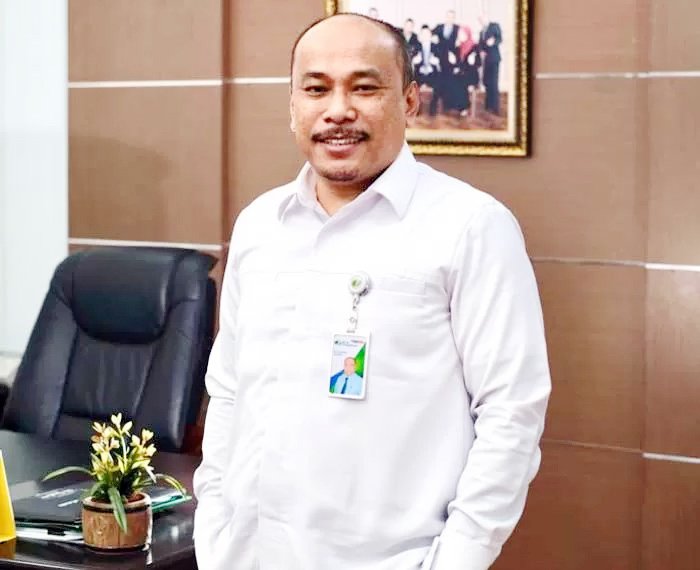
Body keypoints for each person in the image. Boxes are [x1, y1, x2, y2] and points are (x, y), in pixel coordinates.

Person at [193, 13, 550, 570]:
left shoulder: (470, 226)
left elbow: (512, 412)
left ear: (409, 101)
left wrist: (459, 559)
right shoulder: (260, 224)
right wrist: (213, 528)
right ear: (293, 104)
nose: (338, 110)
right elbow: (229, 391)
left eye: (364, 87)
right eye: (316, 89)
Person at [413, 24, 443, 117]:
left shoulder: (436, 47)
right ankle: (416, 109)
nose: (425, 36)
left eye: (427, 34)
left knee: (439, 83)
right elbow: (409, 61)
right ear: (421, 36)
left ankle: (432, 110)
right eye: (423, 34)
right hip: (419, 73)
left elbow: (442, 62)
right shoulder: (416, 46)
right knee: (412, 84)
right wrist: (414, 61)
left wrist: (437, 62)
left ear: (430, 35)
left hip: (432, 73)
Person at [479, 19, 503, 114]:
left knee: (494, 83)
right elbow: (481, 44)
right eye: (480, 18)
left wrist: (493, 41)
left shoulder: (494, 26)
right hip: (486, 60)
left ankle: (495, 108)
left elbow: (500, 38)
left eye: (483, 17)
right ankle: (488, 105)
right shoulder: (482, 31)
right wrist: (481, 51)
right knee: (487, 82)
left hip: (494, 59)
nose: (481, 20)